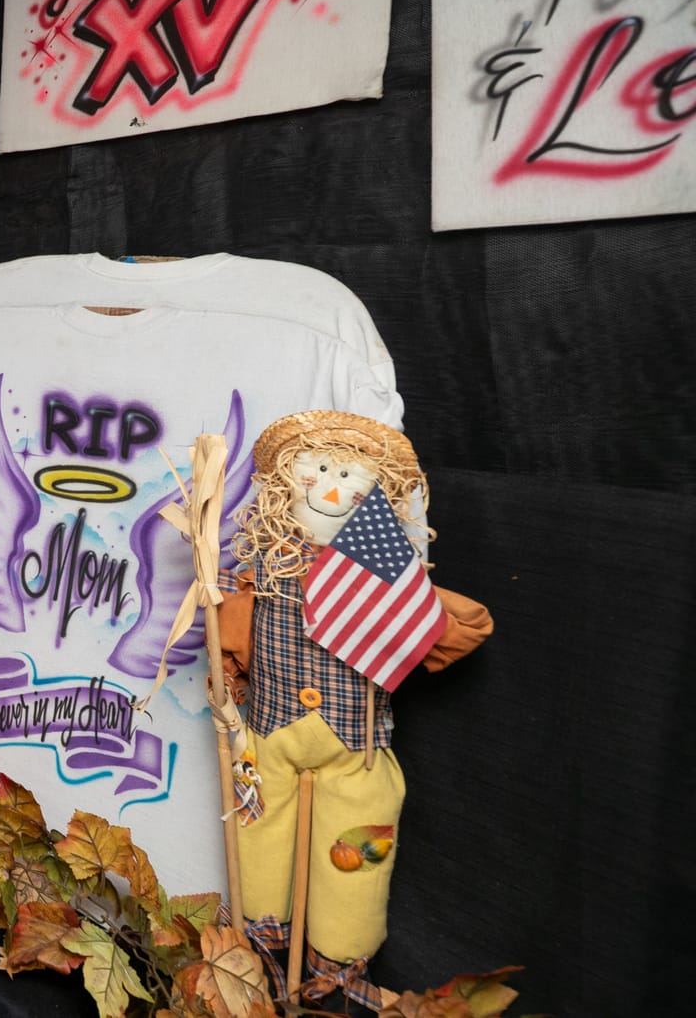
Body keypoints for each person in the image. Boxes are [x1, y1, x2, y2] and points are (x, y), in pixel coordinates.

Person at [218, 411, 492, 1005]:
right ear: (286, 481)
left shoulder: (387, 579)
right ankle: (257, 944)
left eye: (348, 476)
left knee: (356, 855)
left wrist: (418, 609)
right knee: (256, 836)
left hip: (356, 753)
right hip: (268, 740)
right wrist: (229, 678)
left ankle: (337, 964)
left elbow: (462, 629)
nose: (330, 486)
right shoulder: (264, 568)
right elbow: (232, 635)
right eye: (317, 469)